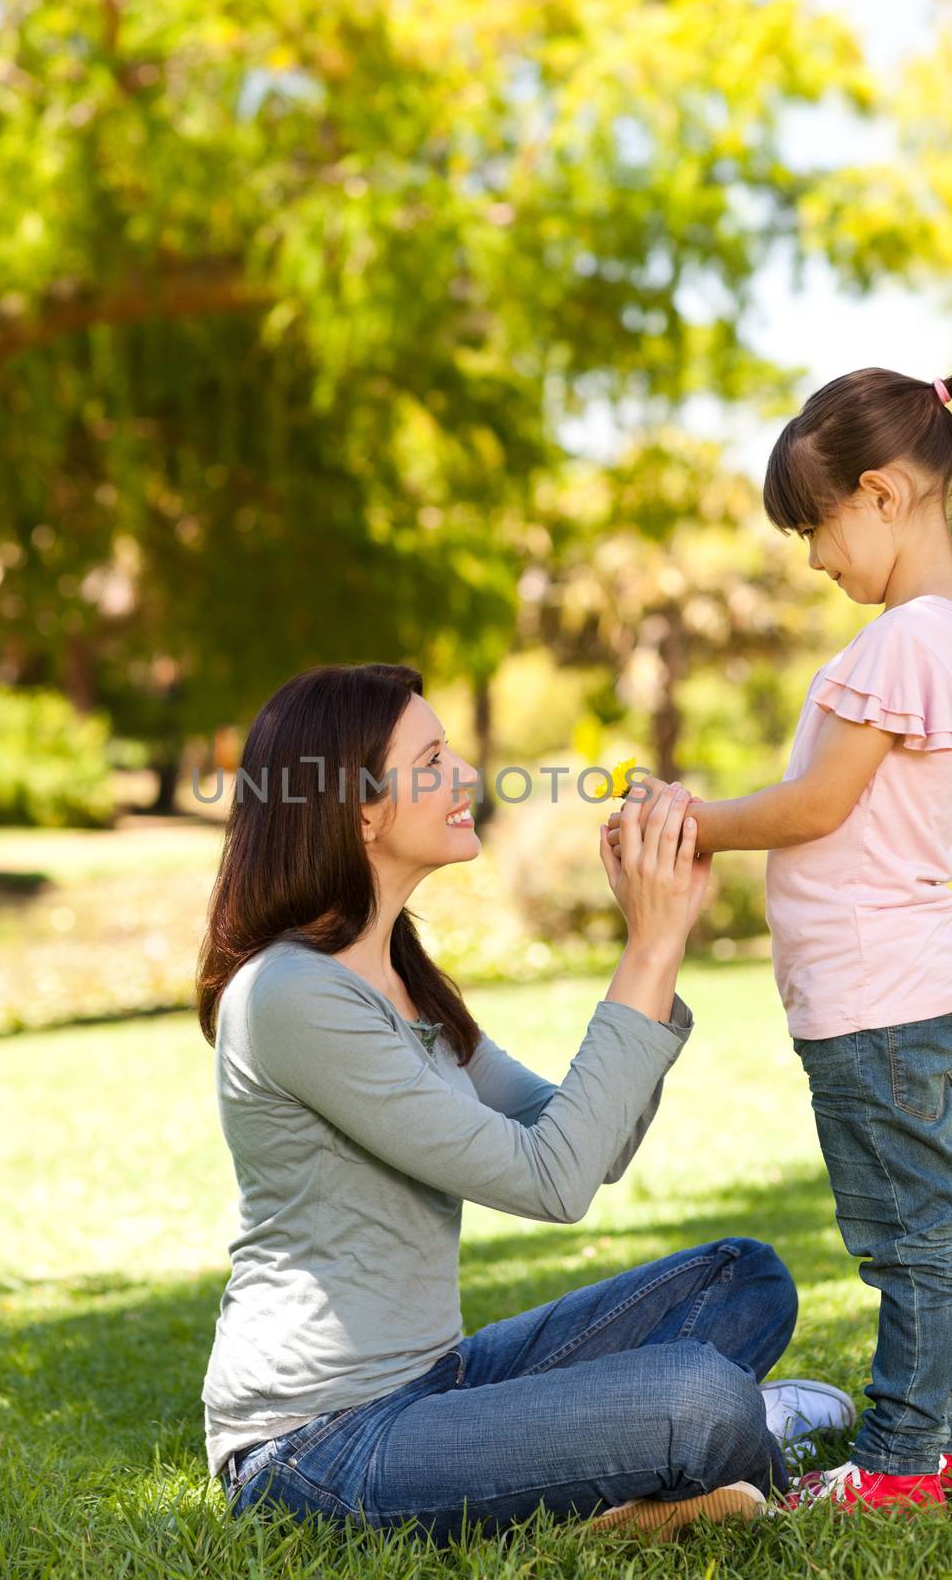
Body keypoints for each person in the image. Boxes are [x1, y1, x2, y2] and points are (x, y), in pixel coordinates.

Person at [196, 660, 848, 1546]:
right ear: (359, 808)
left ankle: (657, 1463)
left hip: (438, 1380)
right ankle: (735, 1447)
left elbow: (589, 1141)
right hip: (319, 1448)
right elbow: (553, 1180)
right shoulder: (289, 997)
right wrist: (647, 949)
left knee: (744, 1276)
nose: (465, 778)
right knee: (696, 1398)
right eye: (431, 763)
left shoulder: (400, 980)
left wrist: (656, 947)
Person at [609, 367, 952, 1514]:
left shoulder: (901, 643)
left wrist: (682, 817)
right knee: (932, 1229)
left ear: (883, 494)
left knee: (909, 1241)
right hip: (912, 989)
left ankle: (903, 1467)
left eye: (816, 526)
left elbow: (814, 808)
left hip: (873, 1004)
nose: (813, 558)